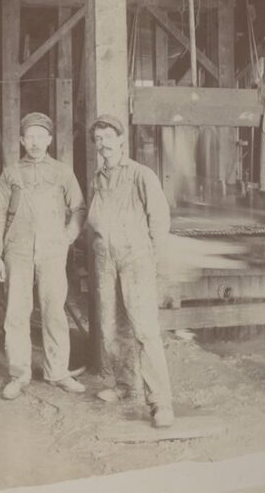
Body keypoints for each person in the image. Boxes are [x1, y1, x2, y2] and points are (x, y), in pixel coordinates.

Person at [0, 112, 87, 400]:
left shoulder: (62, 172)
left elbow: (79, 208)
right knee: (16, 314)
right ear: (21, 140)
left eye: (40, 136)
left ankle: (57, 372)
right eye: (29, 137)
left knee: (54, 312)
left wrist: (68, 236)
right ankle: (18, 375)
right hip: (17, 251)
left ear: (49, 140)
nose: (34, 142)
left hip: (52, 252)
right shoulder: (11, 173)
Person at [86, 113, 175, 428]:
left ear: (121, 140)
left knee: (144, 331)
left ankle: (161, 402)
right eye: (98, 139)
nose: (103, 143)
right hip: (106, 260)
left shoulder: (140, 174)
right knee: (112, 327)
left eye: (109, 137)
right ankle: (126, 385)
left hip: (136, 258)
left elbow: (159, 219)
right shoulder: (99, 178)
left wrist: (154, 261)